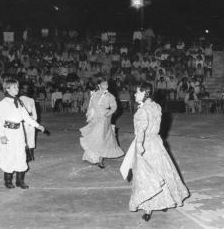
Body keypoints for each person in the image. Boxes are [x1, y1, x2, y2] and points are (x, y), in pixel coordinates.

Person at [120, 82, 189, 222]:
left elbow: (140, 131)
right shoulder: (156, 106)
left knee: (147, 177)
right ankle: (164, 201)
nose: (134, 94)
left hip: (146, 144)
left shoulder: (142, 111)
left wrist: (139, 146)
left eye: (137, 92)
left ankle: (149, 207)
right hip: (157, 143)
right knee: (161, 172)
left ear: (145, 93)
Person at [0, 79, 45, 189]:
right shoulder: (3, 103)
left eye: (17, 87)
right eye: (14, 87)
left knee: (21, 155)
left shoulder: (19, 102)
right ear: (7, 89)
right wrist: (1, 135)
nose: (17, 89)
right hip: (7, 133)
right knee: (9, 156)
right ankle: (8, 181)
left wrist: (37, 125)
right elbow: (0, 121)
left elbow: (26, 117)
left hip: (18, 133)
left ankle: (20, 181)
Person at [80, 77, 124, 169]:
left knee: (102, 139)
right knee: (93, 136)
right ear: (99, 85)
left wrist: (108, 113)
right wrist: (90, 115)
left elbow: (114, 107)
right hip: (95, 118)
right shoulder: (94, 94)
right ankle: (91, 157)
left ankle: (100, 160)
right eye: (104, 84)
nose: (106, 86)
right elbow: (91, 106)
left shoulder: (110, 96)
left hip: (104, 119)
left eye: (107, 84)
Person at [19, 84, 38, 161]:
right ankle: (31, 155)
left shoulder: (18, 99)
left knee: (24, 138)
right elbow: (35, 114)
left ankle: (27, 156)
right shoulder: (31, 100)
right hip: (31, 120)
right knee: (31, 138)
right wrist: (34, 121)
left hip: (23, 121)